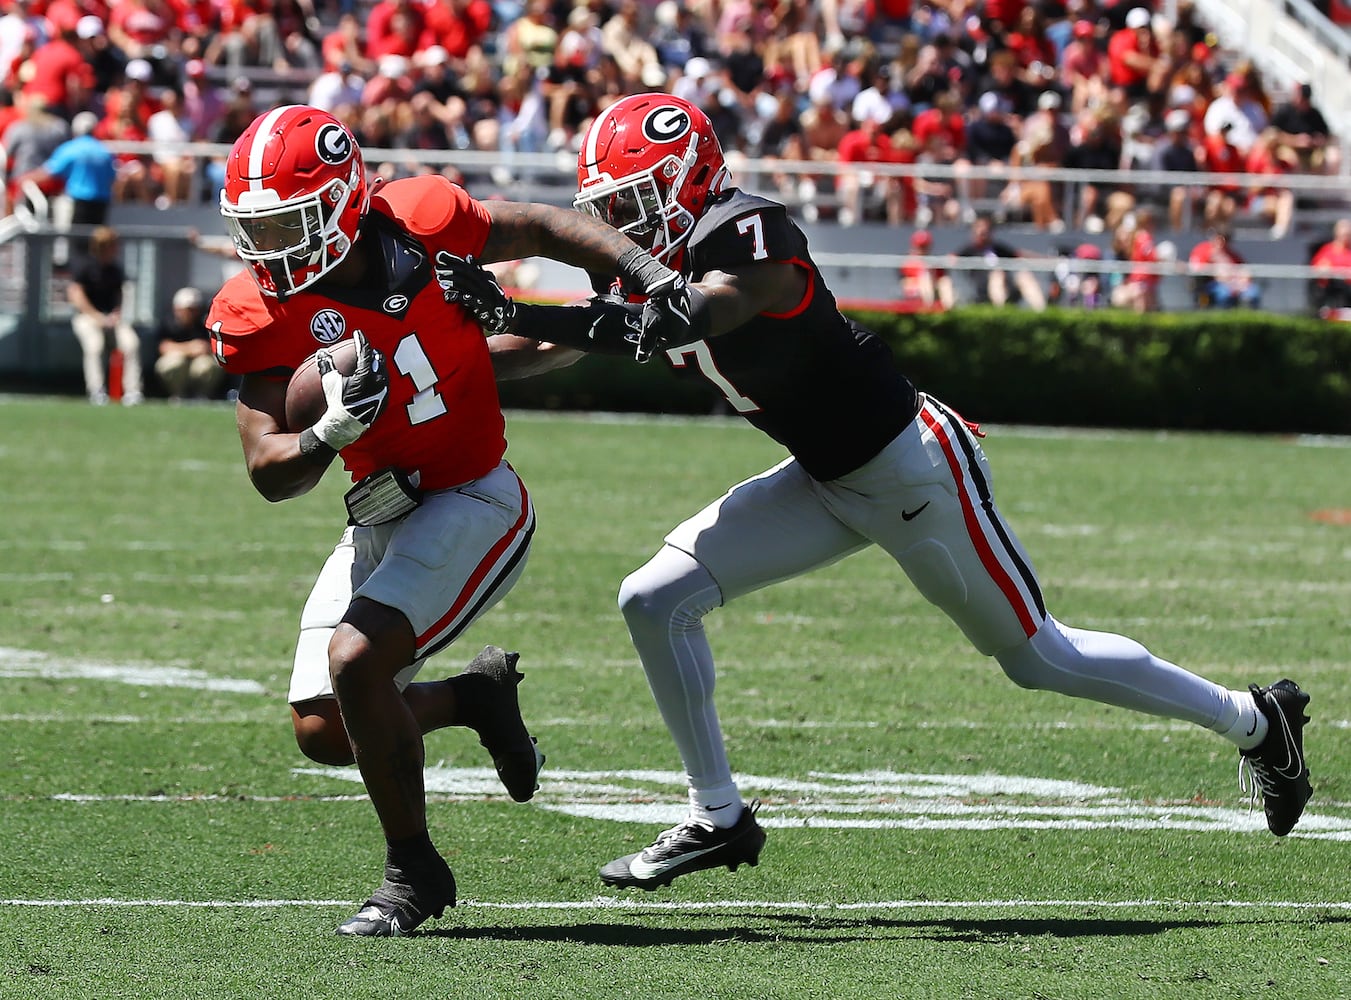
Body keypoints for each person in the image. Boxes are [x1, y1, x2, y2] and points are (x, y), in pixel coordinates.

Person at [434, 92, 1313, 892]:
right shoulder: (649, 263)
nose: (618, 223)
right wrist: (441, 371)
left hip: (908, 469)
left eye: (632, 200)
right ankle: (717, 816)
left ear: (687, 180)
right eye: (610, 206)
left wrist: (512, 308)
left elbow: (688, 316)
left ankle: (1255, 721)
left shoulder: (750, 232)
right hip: (819, 477)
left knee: (1035, 657)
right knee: (652, 597)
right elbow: (570, 344)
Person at [205, 104, 693, 936]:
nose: (271, 246)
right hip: (381, 510)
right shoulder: (257, 304)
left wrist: (646, 276)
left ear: (341, 200)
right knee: (325, 731)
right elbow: (267, 473)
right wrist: (325, 434)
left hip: (474, 496)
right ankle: (474, 698)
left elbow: (541, 223)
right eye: (258, 226)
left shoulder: (423, 219)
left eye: (287, 221)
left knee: (357, 661)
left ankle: (414, 875)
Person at [68, 225, 144, 406]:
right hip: (87, 317)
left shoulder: (115, 270)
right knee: (95, 346)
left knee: (131, 343)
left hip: (111, 319)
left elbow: (119, 296)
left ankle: (133, 392)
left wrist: (116, 315)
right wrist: (97, 317)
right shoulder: (85, 266)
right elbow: (76, 295)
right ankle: (96, 390)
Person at [952, 212, 1047, 310]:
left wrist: (1046, 259)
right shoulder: (969, 250)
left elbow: (1019, 255)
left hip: (1008, 289)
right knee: (997, 275)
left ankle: (1042, 312)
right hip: (983, 291)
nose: (983, 231)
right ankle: (1000, 312)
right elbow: (952, 259)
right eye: (979, 228)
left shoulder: (998, 248)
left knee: (1024, 275)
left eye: (986, 229)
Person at [154, 287, 226, 401]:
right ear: (178, 309)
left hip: (198, 361)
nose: (193, 313)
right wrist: (190, 348)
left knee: (207, 365)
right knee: (173, 364)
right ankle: (178, 395)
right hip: (179, 361)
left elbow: (210, 345)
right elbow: (164, 347)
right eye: (189, 309)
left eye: (195, 309)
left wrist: (203, 348)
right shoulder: (168, 323)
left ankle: (201, 395)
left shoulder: (203, 323)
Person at [1187, 227, 1261, 309]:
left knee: (1253, 292)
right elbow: (1195, 269)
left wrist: (1243, 277)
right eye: (1220, 238)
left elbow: (1243, 270)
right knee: (1224, 293)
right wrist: (1215, 271)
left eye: (1226, 239)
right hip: (1211, 284)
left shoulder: (1231, 254)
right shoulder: (1202, 250)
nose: (1223, 242)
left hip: (1236, 284)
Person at [1310, 218, 1351, 315]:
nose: (1346, 237)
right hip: (1332, 290)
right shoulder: (1327, 250)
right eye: (1344, 234)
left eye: (1348, 234)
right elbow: (1320, 268)